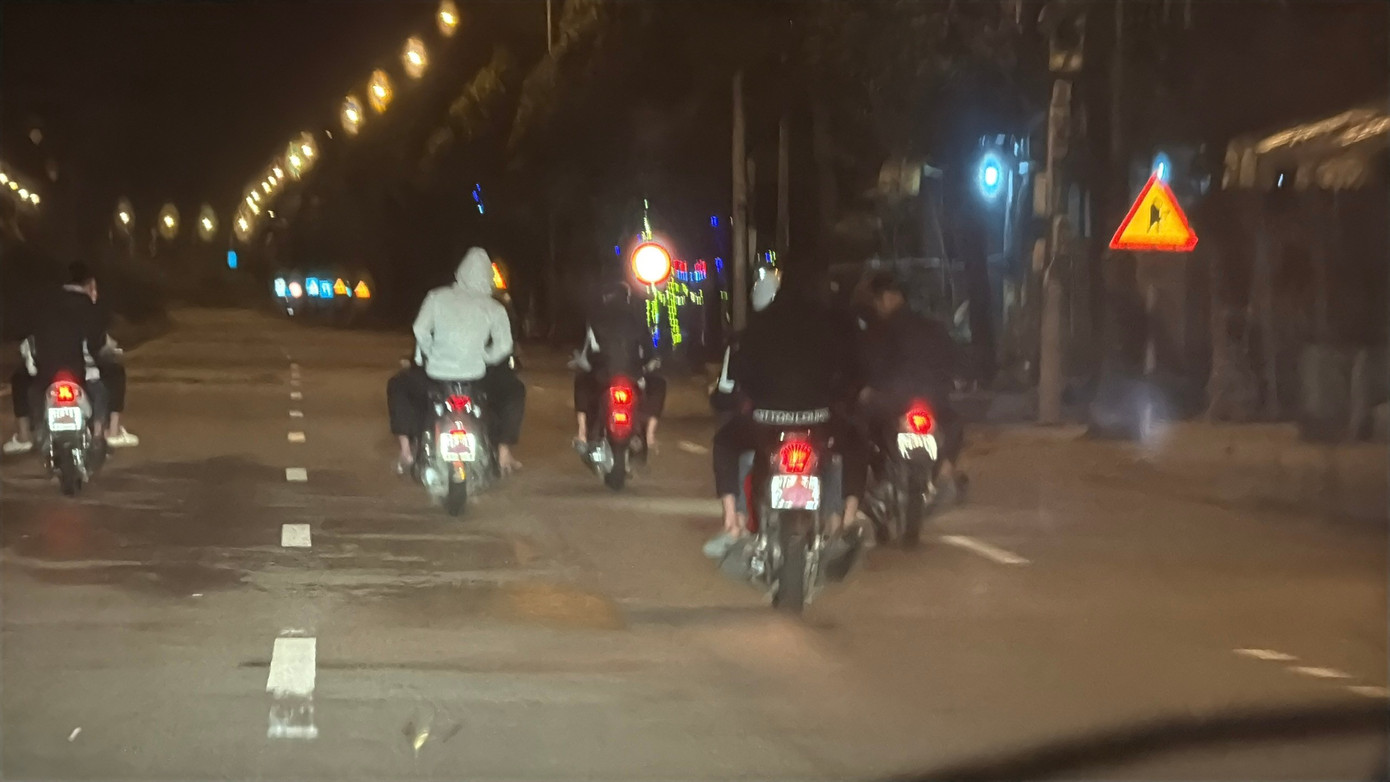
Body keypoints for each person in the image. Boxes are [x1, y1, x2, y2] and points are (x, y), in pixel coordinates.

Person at [707, 268, 866, 549]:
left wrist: (756, 398)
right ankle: (847, 518)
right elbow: (847, 371)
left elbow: (740, 374)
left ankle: (733, 520)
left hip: (764, 420)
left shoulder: (758, 328)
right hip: (819, 419)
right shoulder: (824, 326)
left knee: (725, 443)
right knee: (854, 443)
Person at [386, 247, 524, 474]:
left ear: (460, 272)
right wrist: (486, 357)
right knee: (514, 391)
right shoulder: (494, 307)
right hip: (477, 377)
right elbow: (504, 346)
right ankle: (503, 452)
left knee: (398, 386)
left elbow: (420, 329)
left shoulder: (437, 297)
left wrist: (430, 352)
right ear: (488, 277)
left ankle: (406, 451)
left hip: (436, 375)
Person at [4, 262, 137, 455]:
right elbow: (97, 345)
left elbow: (25, 335)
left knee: (19, 378)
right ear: (91, 285)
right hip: (81, 372)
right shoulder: (90, 307)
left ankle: (24, 436)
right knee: (115, 372)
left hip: (44, 374)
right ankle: (112, 432)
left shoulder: (42, 304)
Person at [858, 271, 966, 490]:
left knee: (863, 424)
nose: (876, 307)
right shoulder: (933, 327)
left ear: (888, 297)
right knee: (954, 423)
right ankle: (946, 468)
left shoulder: (880, 330)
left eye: (877, 301)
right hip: (933, 400)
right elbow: (954, 360)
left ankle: (879, 476)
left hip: (894, 402)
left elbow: (872, 367)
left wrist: (867, 390)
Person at [571, 280, 666, 452]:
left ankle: (582, 433)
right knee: (659, 384)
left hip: (602, 375)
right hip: (634, 374)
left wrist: (582, 362)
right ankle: (650, 435)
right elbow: (649, 351)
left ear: (606, 297)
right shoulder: (638, 318)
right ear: (627, 297)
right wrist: (650, 365)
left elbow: (587, 351)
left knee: (581, 381)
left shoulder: (595, 319)